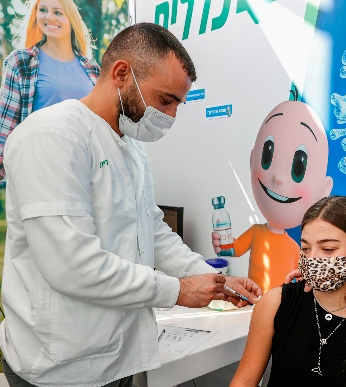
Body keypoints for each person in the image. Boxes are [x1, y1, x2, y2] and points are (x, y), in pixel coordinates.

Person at [0, 22, 262, 386]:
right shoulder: (53, 136)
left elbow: (152, 231)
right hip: (61, 367)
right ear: (122, 73)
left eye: (177, 104)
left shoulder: (129, 148)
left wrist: (213, 279)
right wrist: (179, 290)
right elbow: (72, 265)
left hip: (116, 358)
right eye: (165, 99)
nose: (170, 116)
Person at [231, 196, 346, 387]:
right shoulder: (276, 303)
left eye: (328, 249)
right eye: (306, 248)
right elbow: (243, 381)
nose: (313, 259)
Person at [211, 100, 333, 292]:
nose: (278, 178)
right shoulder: (256, 232)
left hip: (282, 307)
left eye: (298, 168)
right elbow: (232, 249)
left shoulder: (295, 248)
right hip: (254, 302)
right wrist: (222, 245)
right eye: (267, 156)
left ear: (324, 189)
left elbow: (302, 281)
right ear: (253, 161)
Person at [0, 0, 100, 180]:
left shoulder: (92, 69)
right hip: (40, 171)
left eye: (58, 12)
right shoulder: (20, 63)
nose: (49, 17)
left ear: (71, 18)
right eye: (43, 10)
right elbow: (5, 128)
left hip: (86, 172)